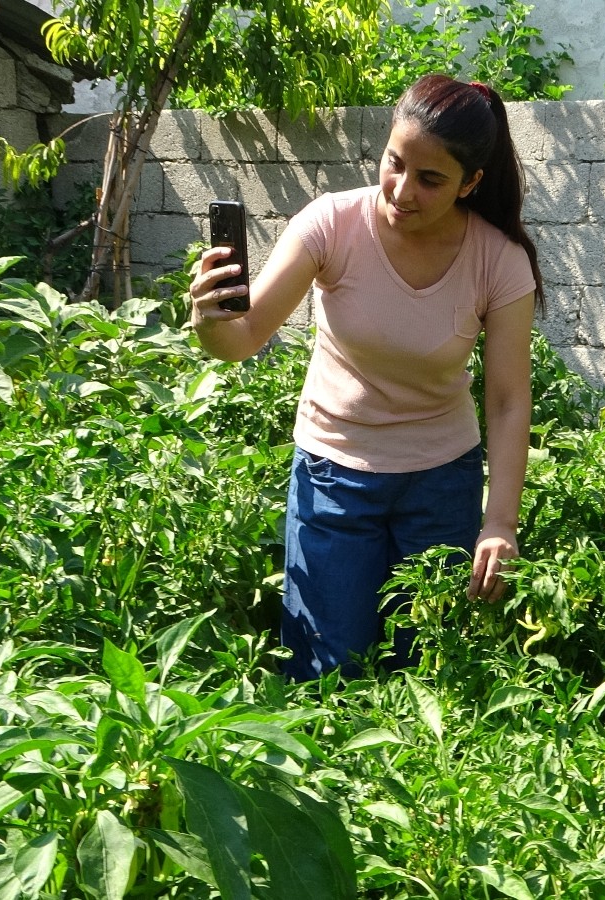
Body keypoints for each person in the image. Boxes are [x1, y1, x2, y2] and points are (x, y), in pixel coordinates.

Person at [187, 74, 544, 681]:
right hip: (333, 473)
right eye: (394, 163)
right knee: (327, 669)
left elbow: (509, 400)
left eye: (431, 180)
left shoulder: (498, 260)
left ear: (471, 183)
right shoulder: (332, 224)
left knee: (427, 668)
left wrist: (499, 523)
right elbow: (242, 339)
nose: (402, 191)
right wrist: (208, 318)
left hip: (441, 482)